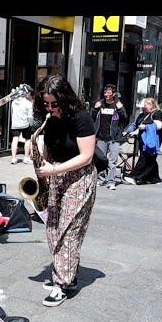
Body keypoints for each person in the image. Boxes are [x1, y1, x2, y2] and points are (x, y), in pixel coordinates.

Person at [33, 75, 97, 307]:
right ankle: (68, 272)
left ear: (65, 99)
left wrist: (54, 169)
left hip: (79, 178)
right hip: (56, 178)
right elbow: (50, 148)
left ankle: (61, 283)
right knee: (52, 229)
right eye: (46, 104)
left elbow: (86, 156)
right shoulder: (50, 119)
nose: (50, 108)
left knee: (69, 231)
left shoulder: (81, 117)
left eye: (54, 104)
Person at [91, 84, 129, 190]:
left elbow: (125, 119)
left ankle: (111, 181)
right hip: (101, 137)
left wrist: (121, 109)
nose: (106, 94)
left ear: (113, 94)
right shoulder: (101, 104)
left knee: (113, 161)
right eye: (105, 92)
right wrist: (95, 108)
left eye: (108, 92)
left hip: (114, 138)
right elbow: (92, 117)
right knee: (101, 160)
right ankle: (101, 179)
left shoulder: (117, 105)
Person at [123, 97, 162, 185]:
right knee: (151, 159)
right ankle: (154, 178)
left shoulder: (157, 114)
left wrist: (145, 127)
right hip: (143, 140)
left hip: (151, 140)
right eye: (144, 104)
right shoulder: (142, 115)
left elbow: (159, 126)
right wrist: (127, 131)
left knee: (145, 158)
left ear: (153, 105)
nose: (145, 106)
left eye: (147, 104)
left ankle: (133, 176)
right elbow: (135, 125)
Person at [10, 88, 34, 165]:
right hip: (25, 123)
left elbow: (12, 112)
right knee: (27, 139)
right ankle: (26, 157)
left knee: (15, 138)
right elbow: (30, 116)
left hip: (15, 123)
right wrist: (31, 124)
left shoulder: (14, 102)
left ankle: (13, 158)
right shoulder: (29, 103)